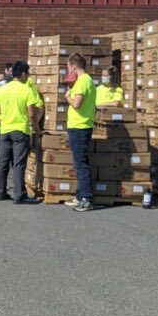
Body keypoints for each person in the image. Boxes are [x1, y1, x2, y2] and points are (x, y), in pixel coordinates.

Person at [0, 61, 42, 204]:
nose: (28, 76)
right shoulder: (26, 90)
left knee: (3, 162)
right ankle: (19, 195)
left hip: (5, 130)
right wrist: (37, 129)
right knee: (19, 163)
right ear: (23, 74)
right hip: (20, 130)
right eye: (28, 74)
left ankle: (0, 192)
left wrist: (8, 112)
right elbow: (32, 114)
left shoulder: (2, 89)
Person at [63, 53, 97, 212]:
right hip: (79, 126)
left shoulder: (83, 80)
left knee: (81, 164)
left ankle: (86, 198)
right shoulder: (84, 80)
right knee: (79, 163)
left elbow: (77, 104)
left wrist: (67, 97)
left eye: (69, 68)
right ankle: (79, 195)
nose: (68, 71)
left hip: (80, 126)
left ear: (74, 67)